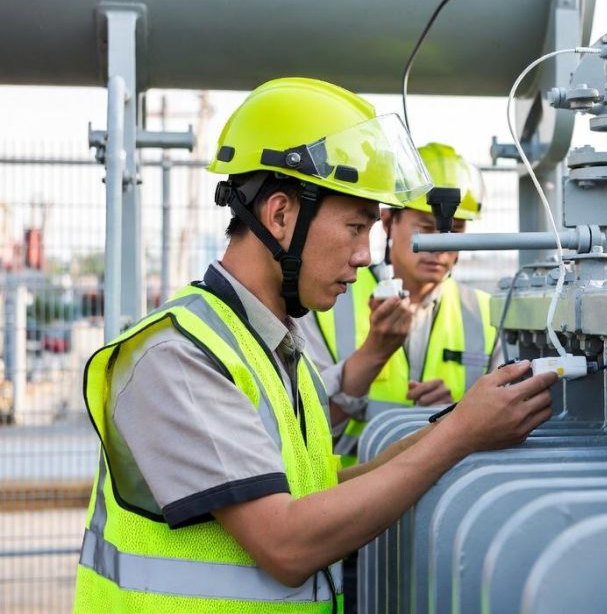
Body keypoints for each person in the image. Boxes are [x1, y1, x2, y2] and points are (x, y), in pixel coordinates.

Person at [72, 77, 556, 613]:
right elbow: (286, 543)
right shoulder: (178, 354)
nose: (364, 255)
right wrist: (460, 435)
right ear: (280, 215)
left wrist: (458, 424)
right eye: (354, 227)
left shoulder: (271, 343)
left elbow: (322, 489)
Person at [300, 143, 497, 466]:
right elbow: (300, 430)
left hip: (451, 503)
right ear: (390, 221)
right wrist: (373, 354)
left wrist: (457, 413)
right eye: (427, 229)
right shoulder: (325, 301)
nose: (439, 247)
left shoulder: (488, 315)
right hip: (346, 497)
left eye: (454, 231)